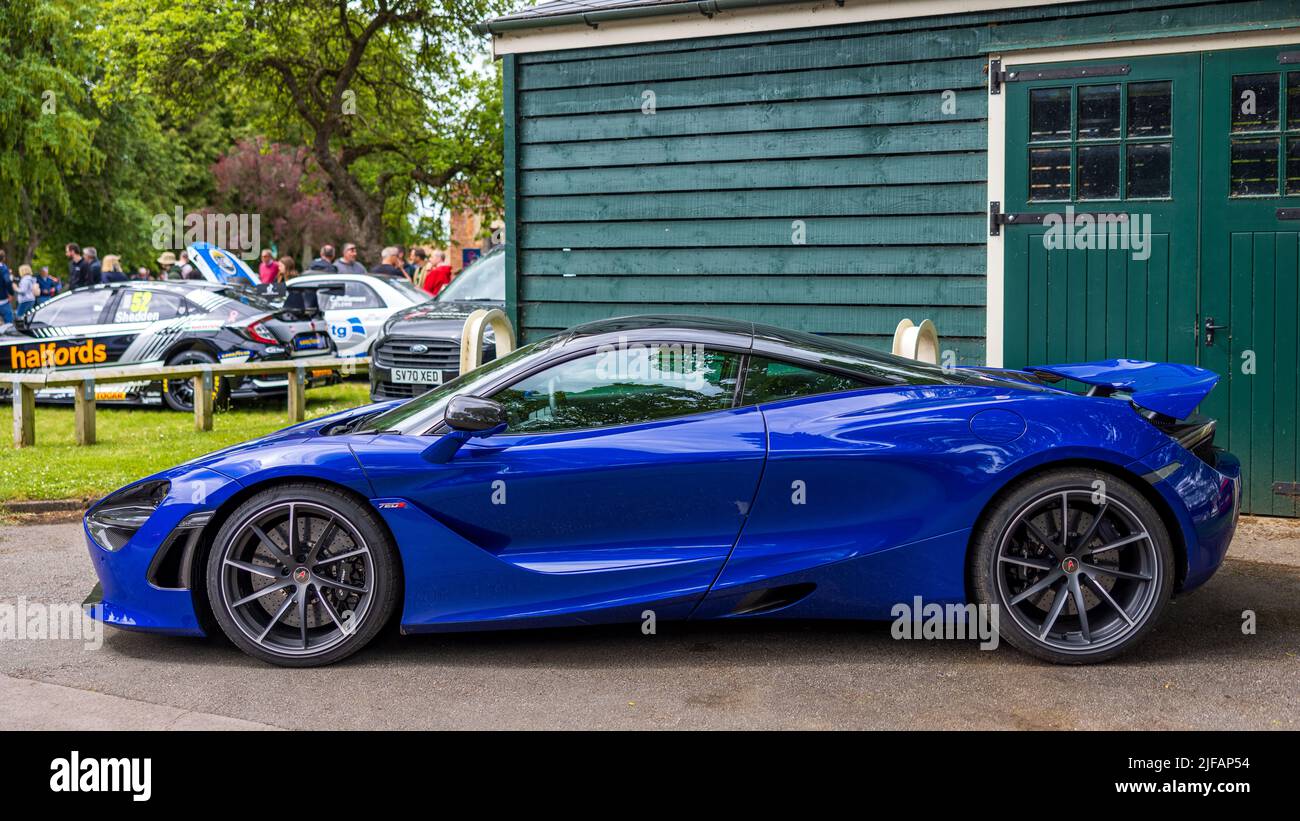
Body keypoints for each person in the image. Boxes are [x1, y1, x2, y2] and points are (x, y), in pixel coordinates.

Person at [0, 250, 13, 324]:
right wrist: (11, 293)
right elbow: (7, 282)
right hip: (3, 301)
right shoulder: (4, 269)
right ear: (3, 258)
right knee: (9, 324)